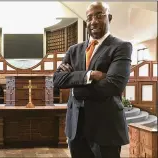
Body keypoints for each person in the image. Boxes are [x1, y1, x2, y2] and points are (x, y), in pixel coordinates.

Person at [53, 2, 132, 158]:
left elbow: (114, 85)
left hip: (105, 127)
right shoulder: (73, 50)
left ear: (109, 18)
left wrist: (74, 85)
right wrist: (89, 76)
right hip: (76, 126)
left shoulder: (121, 47)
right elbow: (57, 80)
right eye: (89, 18)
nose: (93, 21)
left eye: (99, 15)